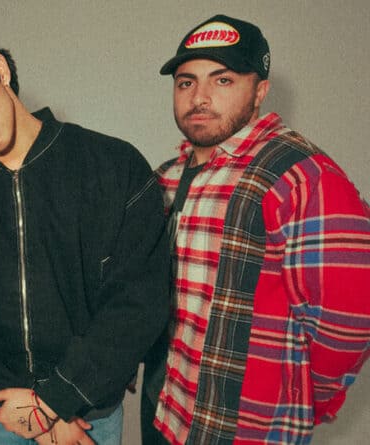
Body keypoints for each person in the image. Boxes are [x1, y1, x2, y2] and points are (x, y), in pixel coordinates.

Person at [0, 27, 170, 444]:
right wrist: (17, 408)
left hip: (83, 417)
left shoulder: (113, 165)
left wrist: (57, 402)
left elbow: (138, 302)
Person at [146, 14, 370, 445]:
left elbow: (349, 321)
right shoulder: (167, 176)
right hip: (167, 413)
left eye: (223, 80)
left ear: (260, 91)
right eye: (186, 82)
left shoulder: (301, 176)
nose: (200, 97)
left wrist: (306, 397)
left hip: (247, 429)